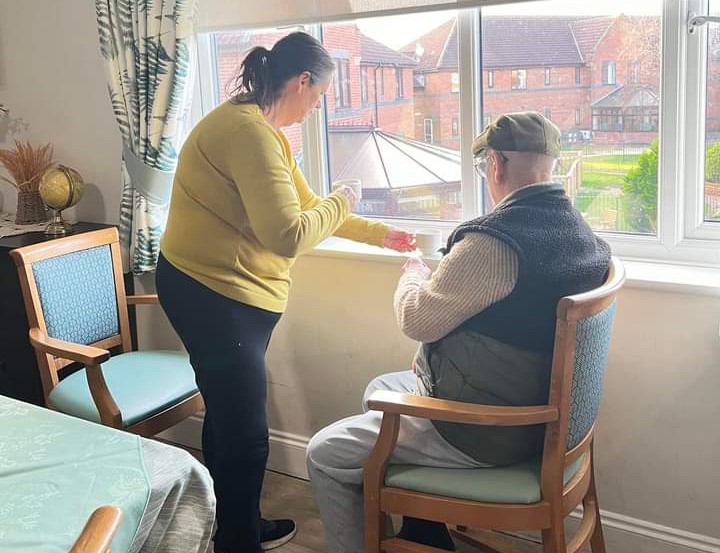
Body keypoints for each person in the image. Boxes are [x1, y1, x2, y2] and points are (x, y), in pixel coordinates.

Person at [155, 32, 414, 553]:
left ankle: (233, 526)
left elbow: (306, 204)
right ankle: (238, 542)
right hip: (211, 293)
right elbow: (289, 234)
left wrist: (378, 234)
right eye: (318, 96)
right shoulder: (248, 134)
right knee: (246, 431)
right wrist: (345, 200)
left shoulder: (260, 128)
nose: (317, 107)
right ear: (301, 82)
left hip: (226, 291)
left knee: (229, 417)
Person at [306, 112, 611, 553]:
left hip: (489, 433)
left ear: (496, 165)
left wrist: (413, 272)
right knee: (381, 386)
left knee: (325, 453)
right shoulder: (580, 233)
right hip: (546, 423)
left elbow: (415, 318)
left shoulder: (494, 243)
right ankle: (424, 530)